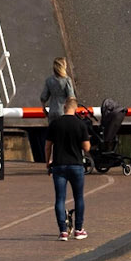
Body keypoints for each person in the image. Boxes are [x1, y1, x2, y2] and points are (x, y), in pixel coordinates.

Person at [49, 96, 92, 239]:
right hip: (76, 165)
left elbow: (48, 145)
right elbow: (86, 147)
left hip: (59, 165)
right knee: (78, 197)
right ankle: (79, 230)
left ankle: (63, 231)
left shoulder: (55, 124)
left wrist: (47, 161)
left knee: (59, 199)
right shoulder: (80, 125)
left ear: (64, 107)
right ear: (75, 109)